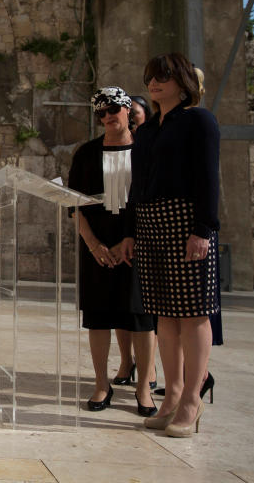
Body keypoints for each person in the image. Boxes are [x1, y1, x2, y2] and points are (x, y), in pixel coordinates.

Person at [122, 52, 221, 438]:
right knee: (164, 314)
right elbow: (137, 185)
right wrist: (131, 231)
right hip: (150, 223)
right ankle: (172, 393)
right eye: (150, 77)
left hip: (185, 222)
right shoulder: (146, 131)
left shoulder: (199, 120)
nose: (153, 83)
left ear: (182, 81)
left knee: (194, 313)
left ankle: (193, 399)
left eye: (162, 76)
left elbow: (208, 179)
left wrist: (203, 229)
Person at [68, 87, 157, 416]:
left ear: (127, 111)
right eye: (101, 113)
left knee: (141, 319)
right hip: (98, 246)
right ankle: (101, 383)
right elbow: (74, 203)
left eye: (114, 110)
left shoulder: (146, 151)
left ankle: (144, 387)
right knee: (99, 317)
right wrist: (93, 245)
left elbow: (151, 199)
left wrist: (131, 238)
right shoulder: (87, 153)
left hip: (139, 243)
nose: (108, 117)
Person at [112, 95, 158, 392]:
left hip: (150, 229)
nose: (132, 121)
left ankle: (149, 369)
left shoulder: (151, 146)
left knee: (144, 307)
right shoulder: (117, 147)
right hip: (120, 228)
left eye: (136, 116)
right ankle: (126, 361)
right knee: (121, 305)